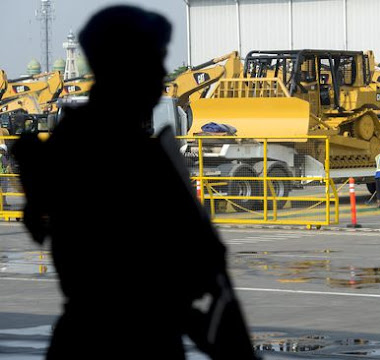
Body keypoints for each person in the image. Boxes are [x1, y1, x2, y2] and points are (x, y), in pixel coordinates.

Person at [11, 6, 255, 359]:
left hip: (94, 331)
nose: (159, 74)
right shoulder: (121, 149)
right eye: (152, 61)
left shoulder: (77, 138)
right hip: (130, 337)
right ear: (124, 68)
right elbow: (137, 263)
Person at [0, 144, 10, 208]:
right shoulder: (2, 157)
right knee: (4, 190)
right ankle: (3, 203)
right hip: (2, 175)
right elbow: (6, 165)